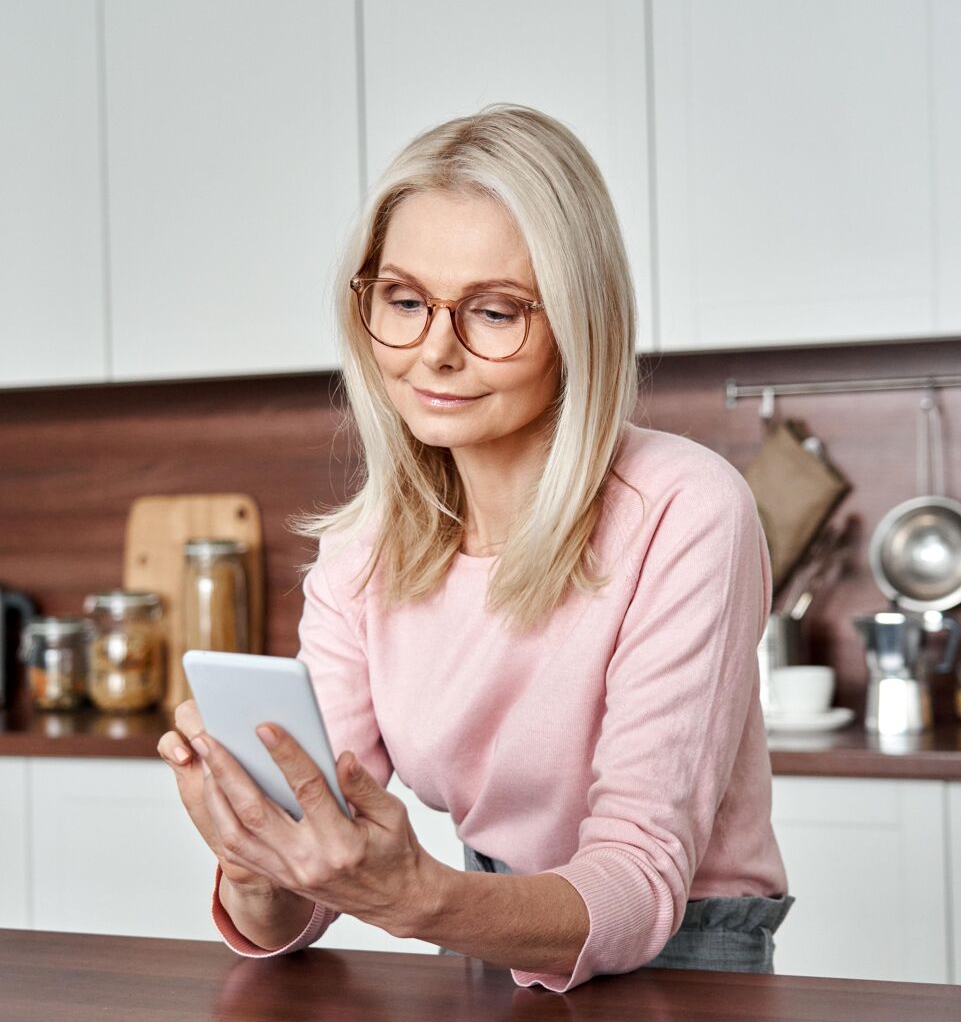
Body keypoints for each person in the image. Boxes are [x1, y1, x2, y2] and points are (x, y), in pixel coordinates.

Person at [157, 104, 793, 993]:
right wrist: (260, 863)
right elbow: (297, 905)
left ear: (580, 323)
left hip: (684, 955)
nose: (435, 352)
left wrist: (418, 898)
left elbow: (639, 880)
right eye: (404, 301)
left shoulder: (685, 509)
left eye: (494, 312)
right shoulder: (363, 550)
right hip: (484, 920)